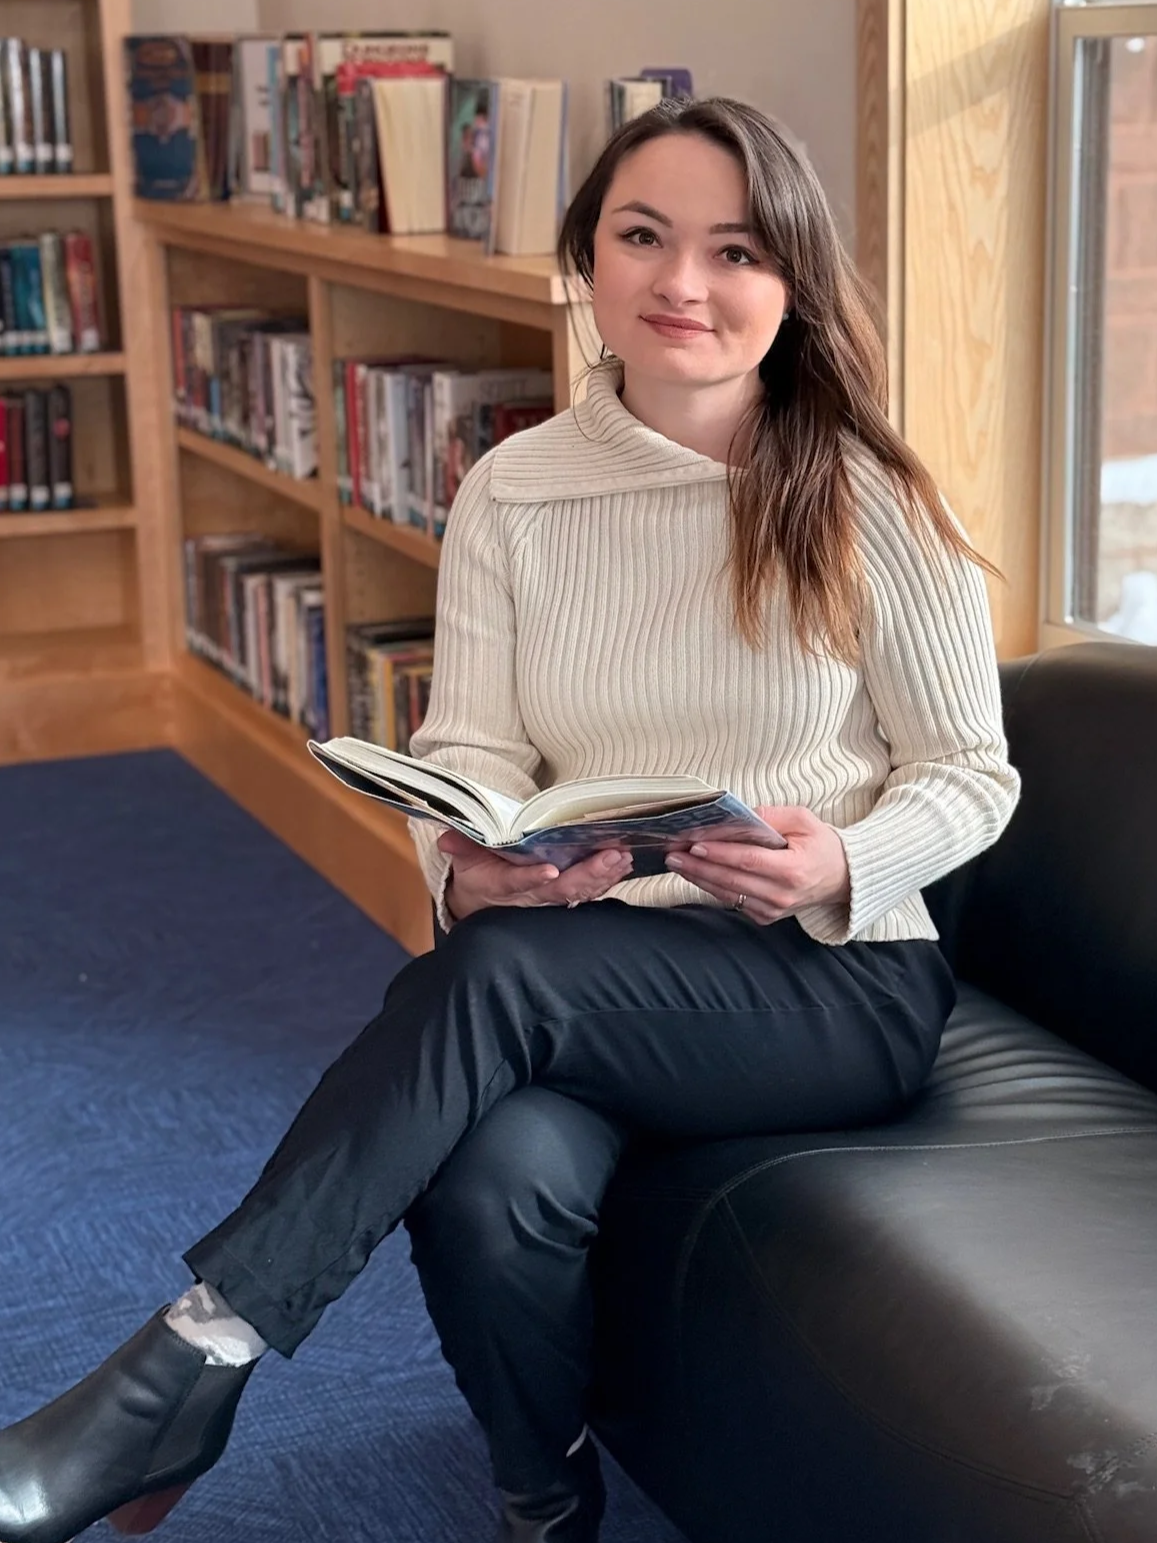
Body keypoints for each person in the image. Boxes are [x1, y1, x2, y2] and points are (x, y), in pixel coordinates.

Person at [0, 96, 1020, 1543]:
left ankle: (189, 1364)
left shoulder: (869, 497)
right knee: (485, 1173)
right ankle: (543, 1499)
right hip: (583, 971)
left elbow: (974, 771)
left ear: (790, 282)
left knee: (488, 990)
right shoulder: (512, 491)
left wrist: (843, 854)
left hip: (831, 978)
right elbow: (470, 745)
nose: (683, 282)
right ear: (585, 262)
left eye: (735, 250)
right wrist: (468, 865)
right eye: (643, 237)